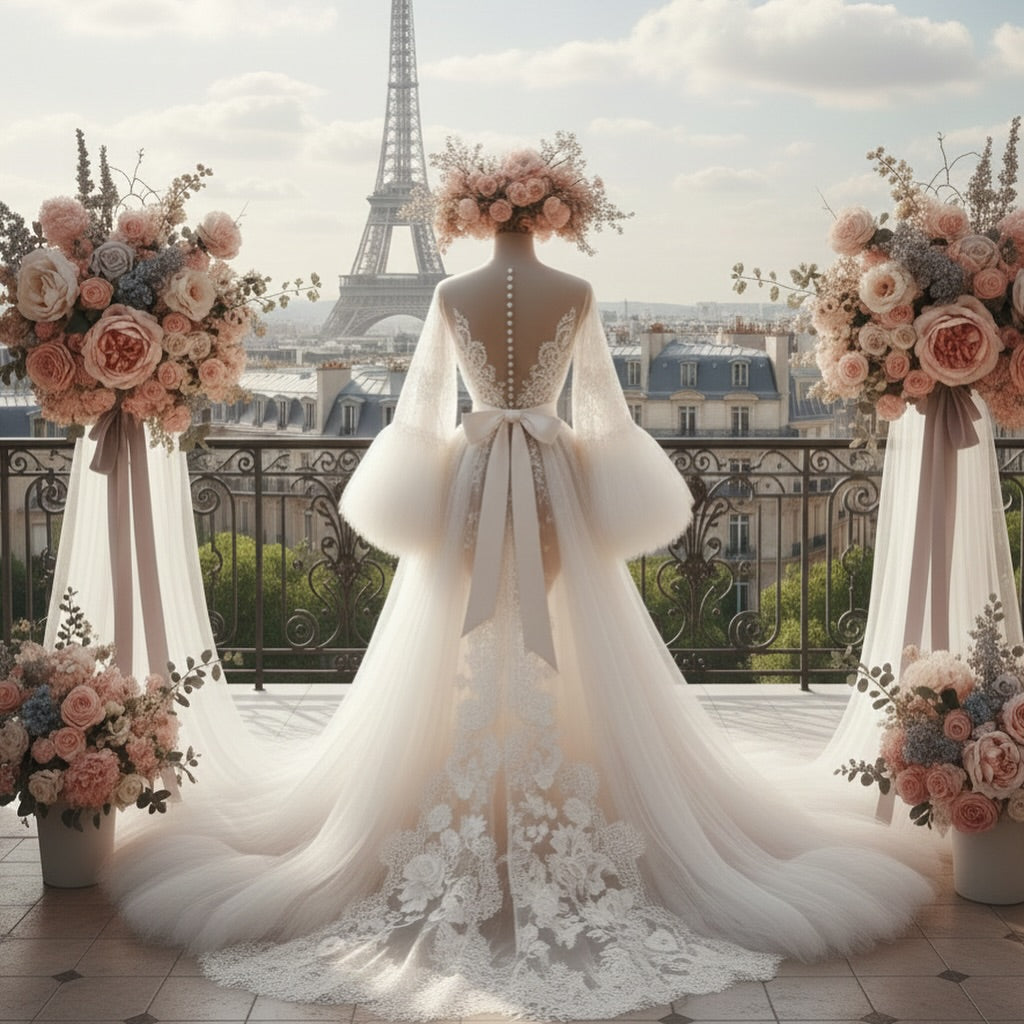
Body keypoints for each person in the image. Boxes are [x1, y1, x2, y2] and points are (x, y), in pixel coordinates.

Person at [105, 134, 932, 1021]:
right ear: (554, 210)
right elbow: (604, 409)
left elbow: (422, 405)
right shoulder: (574, 292)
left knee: (458, 630)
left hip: (471, 476)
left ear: (472, 211)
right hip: (551, 477)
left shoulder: (449, 291)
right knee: (570, 638)